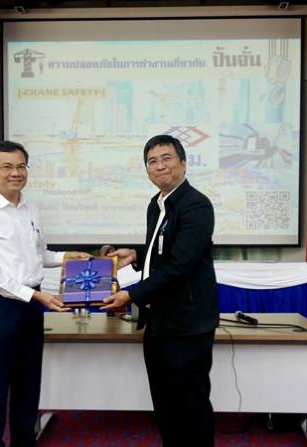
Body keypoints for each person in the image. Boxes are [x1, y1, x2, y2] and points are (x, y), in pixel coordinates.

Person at [0, 140, 87, 447]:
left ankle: (24, 441)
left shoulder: (31, 208)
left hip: (31, 304)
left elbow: (38, 254)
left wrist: (66, 257)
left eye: (20, 166)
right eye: (6, 167)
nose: (15, 173)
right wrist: (34, 296)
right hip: (0, 305)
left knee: (28, 380)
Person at [101, 134, 219, 447]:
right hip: (159, 323)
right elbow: (164, 252)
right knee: (165, 404)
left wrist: (131, 295)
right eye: (152, 161)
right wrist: (136, 255)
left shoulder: (196, 206)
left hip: (187, 326)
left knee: (190, 406)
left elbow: (180, 266)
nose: (159, 166)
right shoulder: (157, 205)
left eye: (166, 158)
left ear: (183, 163)